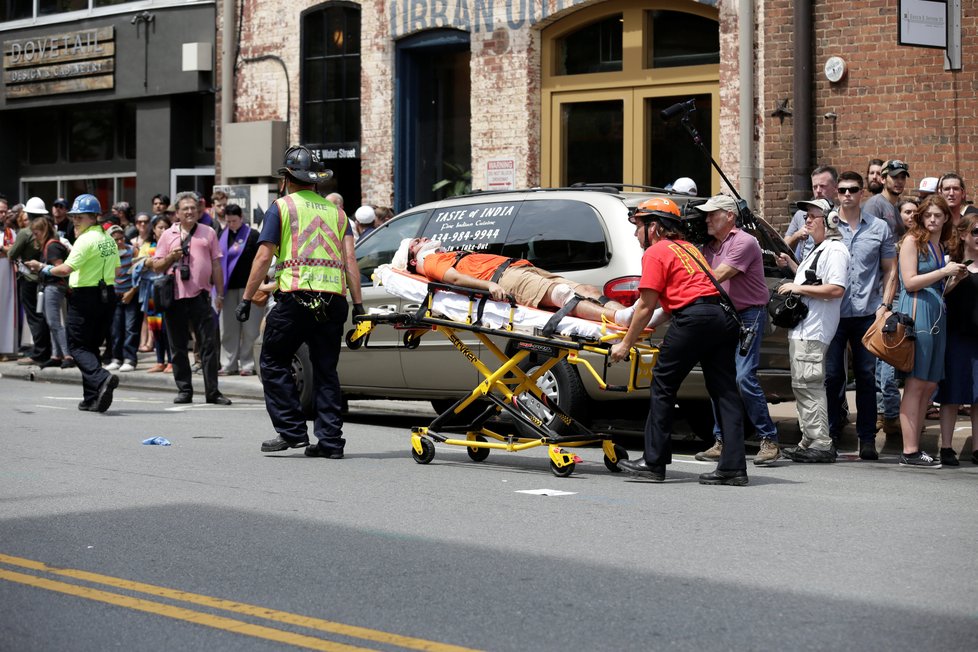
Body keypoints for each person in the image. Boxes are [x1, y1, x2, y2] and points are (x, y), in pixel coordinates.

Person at [236, 145, 363, 458]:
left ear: (287, 178)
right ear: (316, 181)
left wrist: (247, 296)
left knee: (272, 359)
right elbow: (350, 260)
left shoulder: (282, 208)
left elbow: (264, 255)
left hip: (297, 298)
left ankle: (292, 430)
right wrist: (359, 305)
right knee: (325, 371)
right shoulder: (338, 213)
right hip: (333, 301)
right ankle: (331, 443)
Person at [610, 198, 748, 485]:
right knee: (724, 391)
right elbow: (672, 305)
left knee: (663, 384)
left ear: (656, 228)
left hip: (695, 319)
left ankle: (653, 462)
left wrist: (626, 344)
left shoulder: (655, 252)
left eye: (639, 227)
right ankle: (733, 467)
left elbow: (645, 306)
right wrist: (645, 328)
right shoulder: (689, 250)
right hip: (721, 318)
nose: (636, 234)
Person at [691, 194, 780, 465]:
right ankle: (722, 440)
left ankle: (769, 439)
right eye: (705, 215)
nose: (706, 219)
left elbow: (716, 278)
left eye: (712, 214)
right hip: (723, 313)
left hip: (749, 314)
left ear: (729, 216)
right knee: (720, 378)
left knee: (743, 377)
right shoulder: (708, 247)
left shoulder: (744, 242)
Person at [824, 171, 897, 460]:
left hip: (868, 311)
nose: (847, 195)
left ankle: (866, 438)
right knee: (831, 376)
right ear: (836, 192)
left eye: (853, 189)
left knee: (866, 377)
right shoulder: (828, 224)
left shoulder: (879, 227)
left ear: (862, 192)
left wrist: (885, 305)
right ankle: (829, 434)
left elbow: (890, 269)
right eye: (842, 190)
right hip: (833, 312)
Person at [24, 195, 120, 412]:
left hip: (85, 296)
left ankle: (101, 377)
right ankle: (91, 397)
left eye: (80, 217)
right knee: (91, 346)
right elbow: (117, 270)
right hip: (107, 296)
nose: (75, 220)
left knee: (76, 346)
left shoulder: (85, 240)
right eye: (74, 216)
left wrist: (42, 267)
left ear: (94, 217)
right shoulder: (108, 239)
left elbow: (65, 269)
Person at [894, 195, 966, 468]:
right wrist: (943, 271)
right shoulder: (913, 241)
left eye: (938, 215)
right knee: (915, 383)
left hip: (936, 315)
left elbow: (936, 287)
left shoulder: (938, 245)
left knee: (929, 384)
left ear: (947, 218)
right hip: (916, 314)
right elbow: (910, 281)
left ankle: (915, 447)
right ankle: (910, 451)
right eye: (928, 215)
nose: (933, 219)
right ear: (921, 217)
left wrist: (953, 278)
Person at [774, 200, 850, 462]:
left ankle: (821, 442)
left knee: (810, 385)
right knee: (802, 386)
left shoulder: (836, 250)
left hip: (814, 330)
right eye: (806, 216)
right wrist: (793, 268)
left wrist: (798, 289)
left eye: (812, 217)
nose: (806, 221)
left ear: (830, 221)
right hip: (804, 330)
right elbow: (812, 280)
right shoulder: (819, 250)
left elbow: (836, 289)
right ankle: (809, 440)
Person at [392, 238, 625, 322]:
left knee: (585, 288)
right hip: (505, 277)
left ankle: (628, 315)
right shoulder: (430, 261)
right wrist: (490, 285)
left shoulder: (445, 255)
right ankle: (618, 317)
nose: (421, 238)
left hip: (520, 268)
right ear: (413, 260)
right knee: (563, 295)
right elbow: (454, 279)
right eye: (415, 243)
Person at [146, 191, 231, 405]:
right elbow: (156, 266)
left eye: (193, 208)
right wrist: (171, 257)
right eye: (185, 208)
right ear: (177, 212)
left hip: (201, 296)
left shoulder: (208, 232)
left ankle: (213, 392)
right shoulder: (168, 234)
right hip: (174, 297)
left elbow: (216, 265)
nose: (190, 212)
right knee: (178, 346)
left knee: (209, 345)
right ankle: (184, 390)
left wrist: (219, 294)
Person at [936, 212, 978, 466]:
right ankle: (946, 447)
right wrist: (954, 278)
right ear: (963, 234)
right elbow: (939, 296)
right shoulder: (952, 264)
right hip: (955, 338)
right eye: (976, 232)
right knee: (951, 395)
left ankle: (976, 448)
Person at [8, 197, 52, 365]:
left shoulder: (26, 232)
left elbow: (12, 254)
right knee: (43, 316)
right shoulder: (49, 229)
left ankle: (39, 353)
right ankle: (47, 350)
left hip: (28, 278)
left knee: (34, 317)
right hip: (44, 277)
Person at [219, 204, 261, 376]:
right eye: (228, 221)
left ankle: (248, 364)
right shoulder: (222, 235)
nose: (231, 224)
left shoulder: (252, 235)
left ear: (241, 218)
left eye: (234, 221)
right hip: (228, 289)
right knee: (228, 329)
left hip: (248, 289)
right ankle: (228, 364)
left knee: (250, 329)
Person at [30, 217, 74, 369]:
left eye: (36, 233)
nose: (35, 237)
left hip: (54, 286)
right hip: (51, 286)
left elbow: (61, 269)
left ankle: (67, 355)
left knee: (55, 322)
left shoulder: (52, 246)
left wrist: (40, 266)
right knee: (52, 322)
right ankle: (56, 355)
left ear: (43, 231)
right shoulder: (51, 244)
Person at [133, 215, 172, 373]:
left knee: (167, 327)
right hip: (151, 291)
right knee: (155, 326)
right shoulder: (147, 245)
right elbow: (136, 265)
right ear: (153, 230)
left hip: (167, 289)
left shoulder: (172, 244)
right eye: (159, 227)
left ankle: (171, 361)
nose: (162, 230)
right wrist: (145, 262)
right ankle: (159, 361)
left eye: (165, 227)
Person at [106, 225, 141, 373]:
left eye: (121, 238)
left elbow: (140, 273)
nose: (119, 242)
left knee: (130, 328)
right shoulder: (106, 253)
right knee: (116, 329)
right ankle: (116, 358)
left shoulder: (132, 250)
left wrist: (132, 291)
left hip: (131, 294)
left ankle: (130, 359)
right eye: (115, 239)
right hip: (115, 295)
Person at [785, 165, 839, 260]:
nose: (818, 191)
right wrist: (796, 236)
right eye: (815, 187)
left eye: (823, 186)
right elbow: (784, 247)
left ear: (835, 187)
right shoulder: (800, 214)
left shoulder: (838, 216)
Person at [864, 159, 910, 241]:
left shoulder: (894, 206)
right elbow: (869, 243)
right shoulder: (875, 205)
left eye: (903, 177)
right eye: (894, 177)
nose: (899, 181)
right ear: (883, 179)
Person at [0, 200, 17, 359]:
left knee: (5, 309)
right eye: (0, 211)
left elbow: (13, 250)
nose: (3, 214)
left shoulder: (10, 232)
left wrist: (3, 250)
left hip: (5, 272)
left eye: (5, 211)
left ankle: (4, 349)